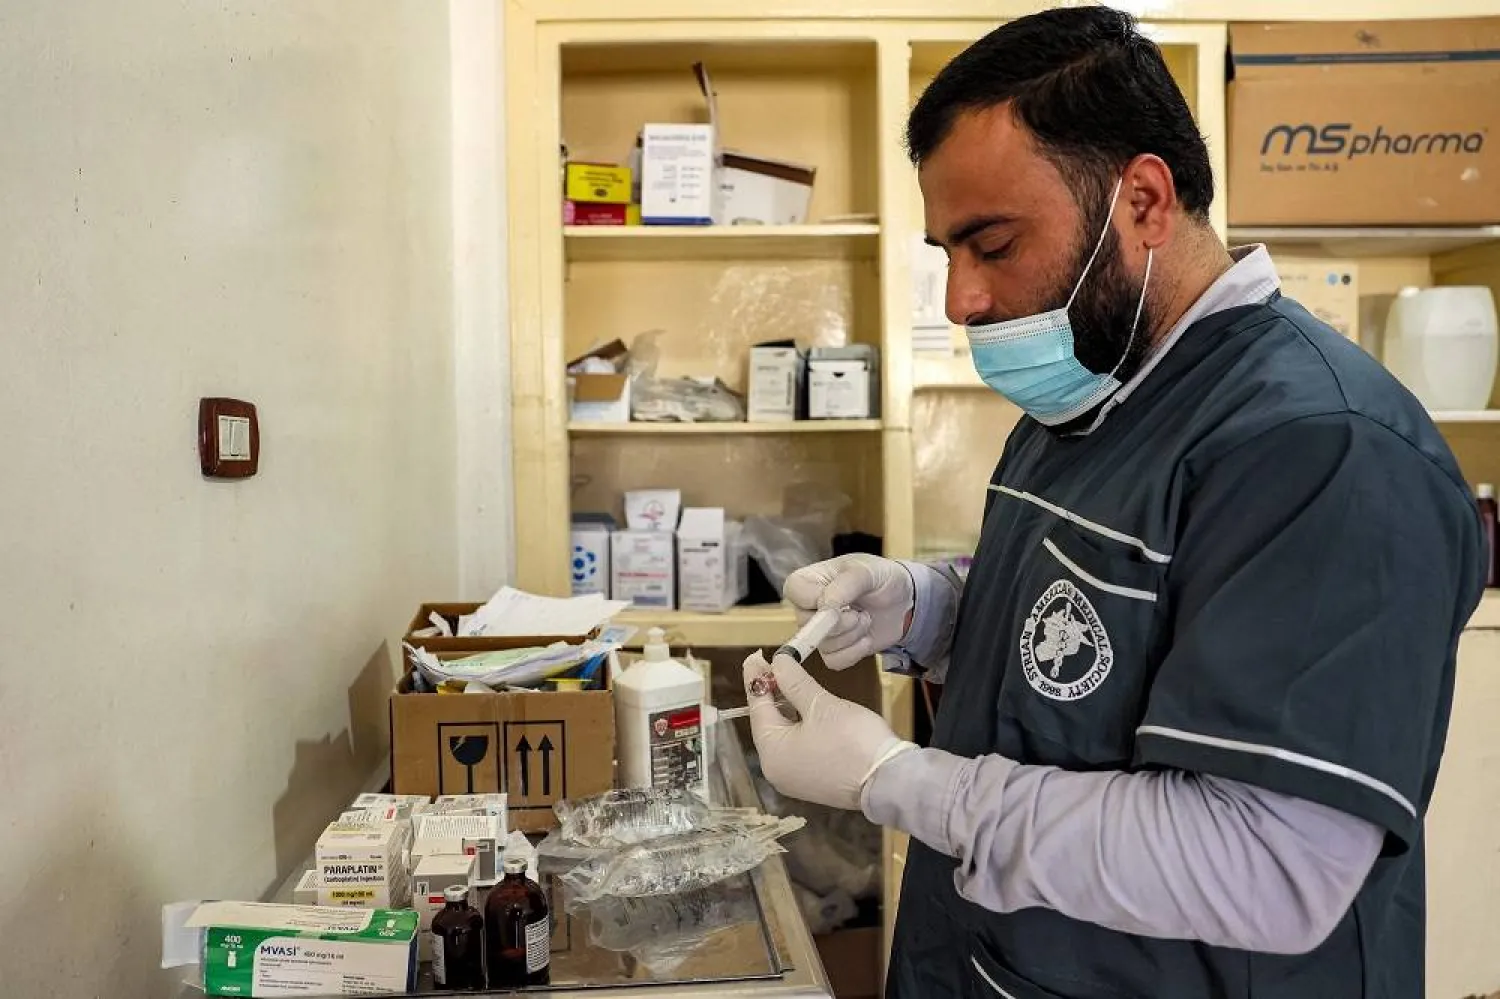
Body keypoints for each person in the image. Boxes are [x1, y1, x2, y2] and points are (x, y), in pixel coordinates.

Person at [740, 8, 1485, 999]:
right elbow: (1103, 633)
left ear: (1142, 199)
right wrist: (928, 609)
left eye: (992, 243)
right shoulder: (1097, 388)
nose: (960, 299)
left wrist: (898, 780)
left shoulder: (1322, 449)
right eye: (946, 254)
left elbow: (1267, 864)